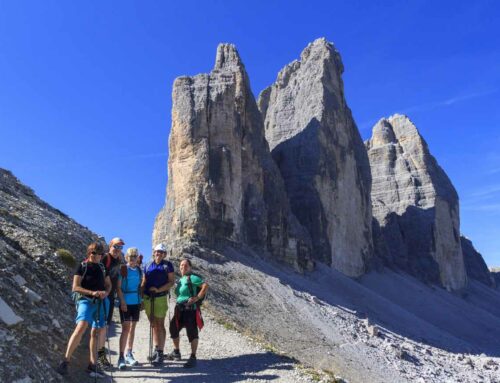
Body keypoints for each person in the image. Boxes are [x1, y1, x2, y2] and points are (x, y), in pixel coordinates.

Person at [56, 242, 111, 379]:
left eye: (99, 253)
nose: (96, 255)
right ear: (89, 253)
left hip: (100, 301)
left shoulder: (103, 268)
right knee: (81, 326)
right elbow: (75, 287)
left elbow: (109, 284)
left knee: (97, 331)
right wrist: (92, 293)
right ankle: (65, 361)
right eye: (93, 252)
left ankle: (93, 364)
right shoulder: (82, 266)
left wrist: (105, 293)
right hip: (85, 300)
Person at [167, 258, 209, 368]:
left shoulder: (193, 277)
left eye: (185, 265)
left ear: (190, 267)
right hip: (179, 309)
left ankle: (193, 357)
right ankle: (176, 352)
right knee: (173, 328)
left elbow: (205, 286)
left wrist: (196, 298)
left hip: (190, 310)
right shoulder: (180, 280)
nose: (183, 267)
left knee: (192, 332)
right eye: (181, 265)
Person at [142, 243, 175, 364]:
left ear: (164, 254)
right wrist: (141, 297)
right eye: (157, 251)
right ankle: (157, 349)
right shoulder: (147, 265)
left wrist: (158, 290)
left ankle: (160, 353)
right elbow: (144, 281)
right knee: (153, 324)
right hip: (147, 297)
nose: (158, 254)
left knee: (160, 324)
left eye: (161, 252)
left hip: (160, 297)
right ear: (154, 252)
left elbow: (171, 282)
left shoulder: (168, 265)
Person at [98, 237, 125, 368]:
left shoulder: (118, 261)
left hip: (110, 296)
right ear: (110, 246)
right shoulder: (105, 258)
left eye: (120, 247)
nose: (117, 249)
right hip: (102, 296)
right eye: (116, 246)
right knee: (100, 327)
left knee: (105, 326)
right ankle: (98, 357)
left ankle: (100, 356)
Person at [116, 247, 143, 369]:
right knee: (126, 329)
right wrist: (122, 302)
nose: (132, 259)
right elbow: (119, 287)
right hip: (126, 302)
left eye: (135, 256)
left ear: (137, 258)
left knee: (132, 329)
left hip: (136, 302)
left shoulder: (138, 270)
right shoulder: (123, 269)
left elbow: (140, 285)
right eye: (130, 257)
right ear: (126, 257)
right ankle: (121, 357)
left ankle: (129, 353)